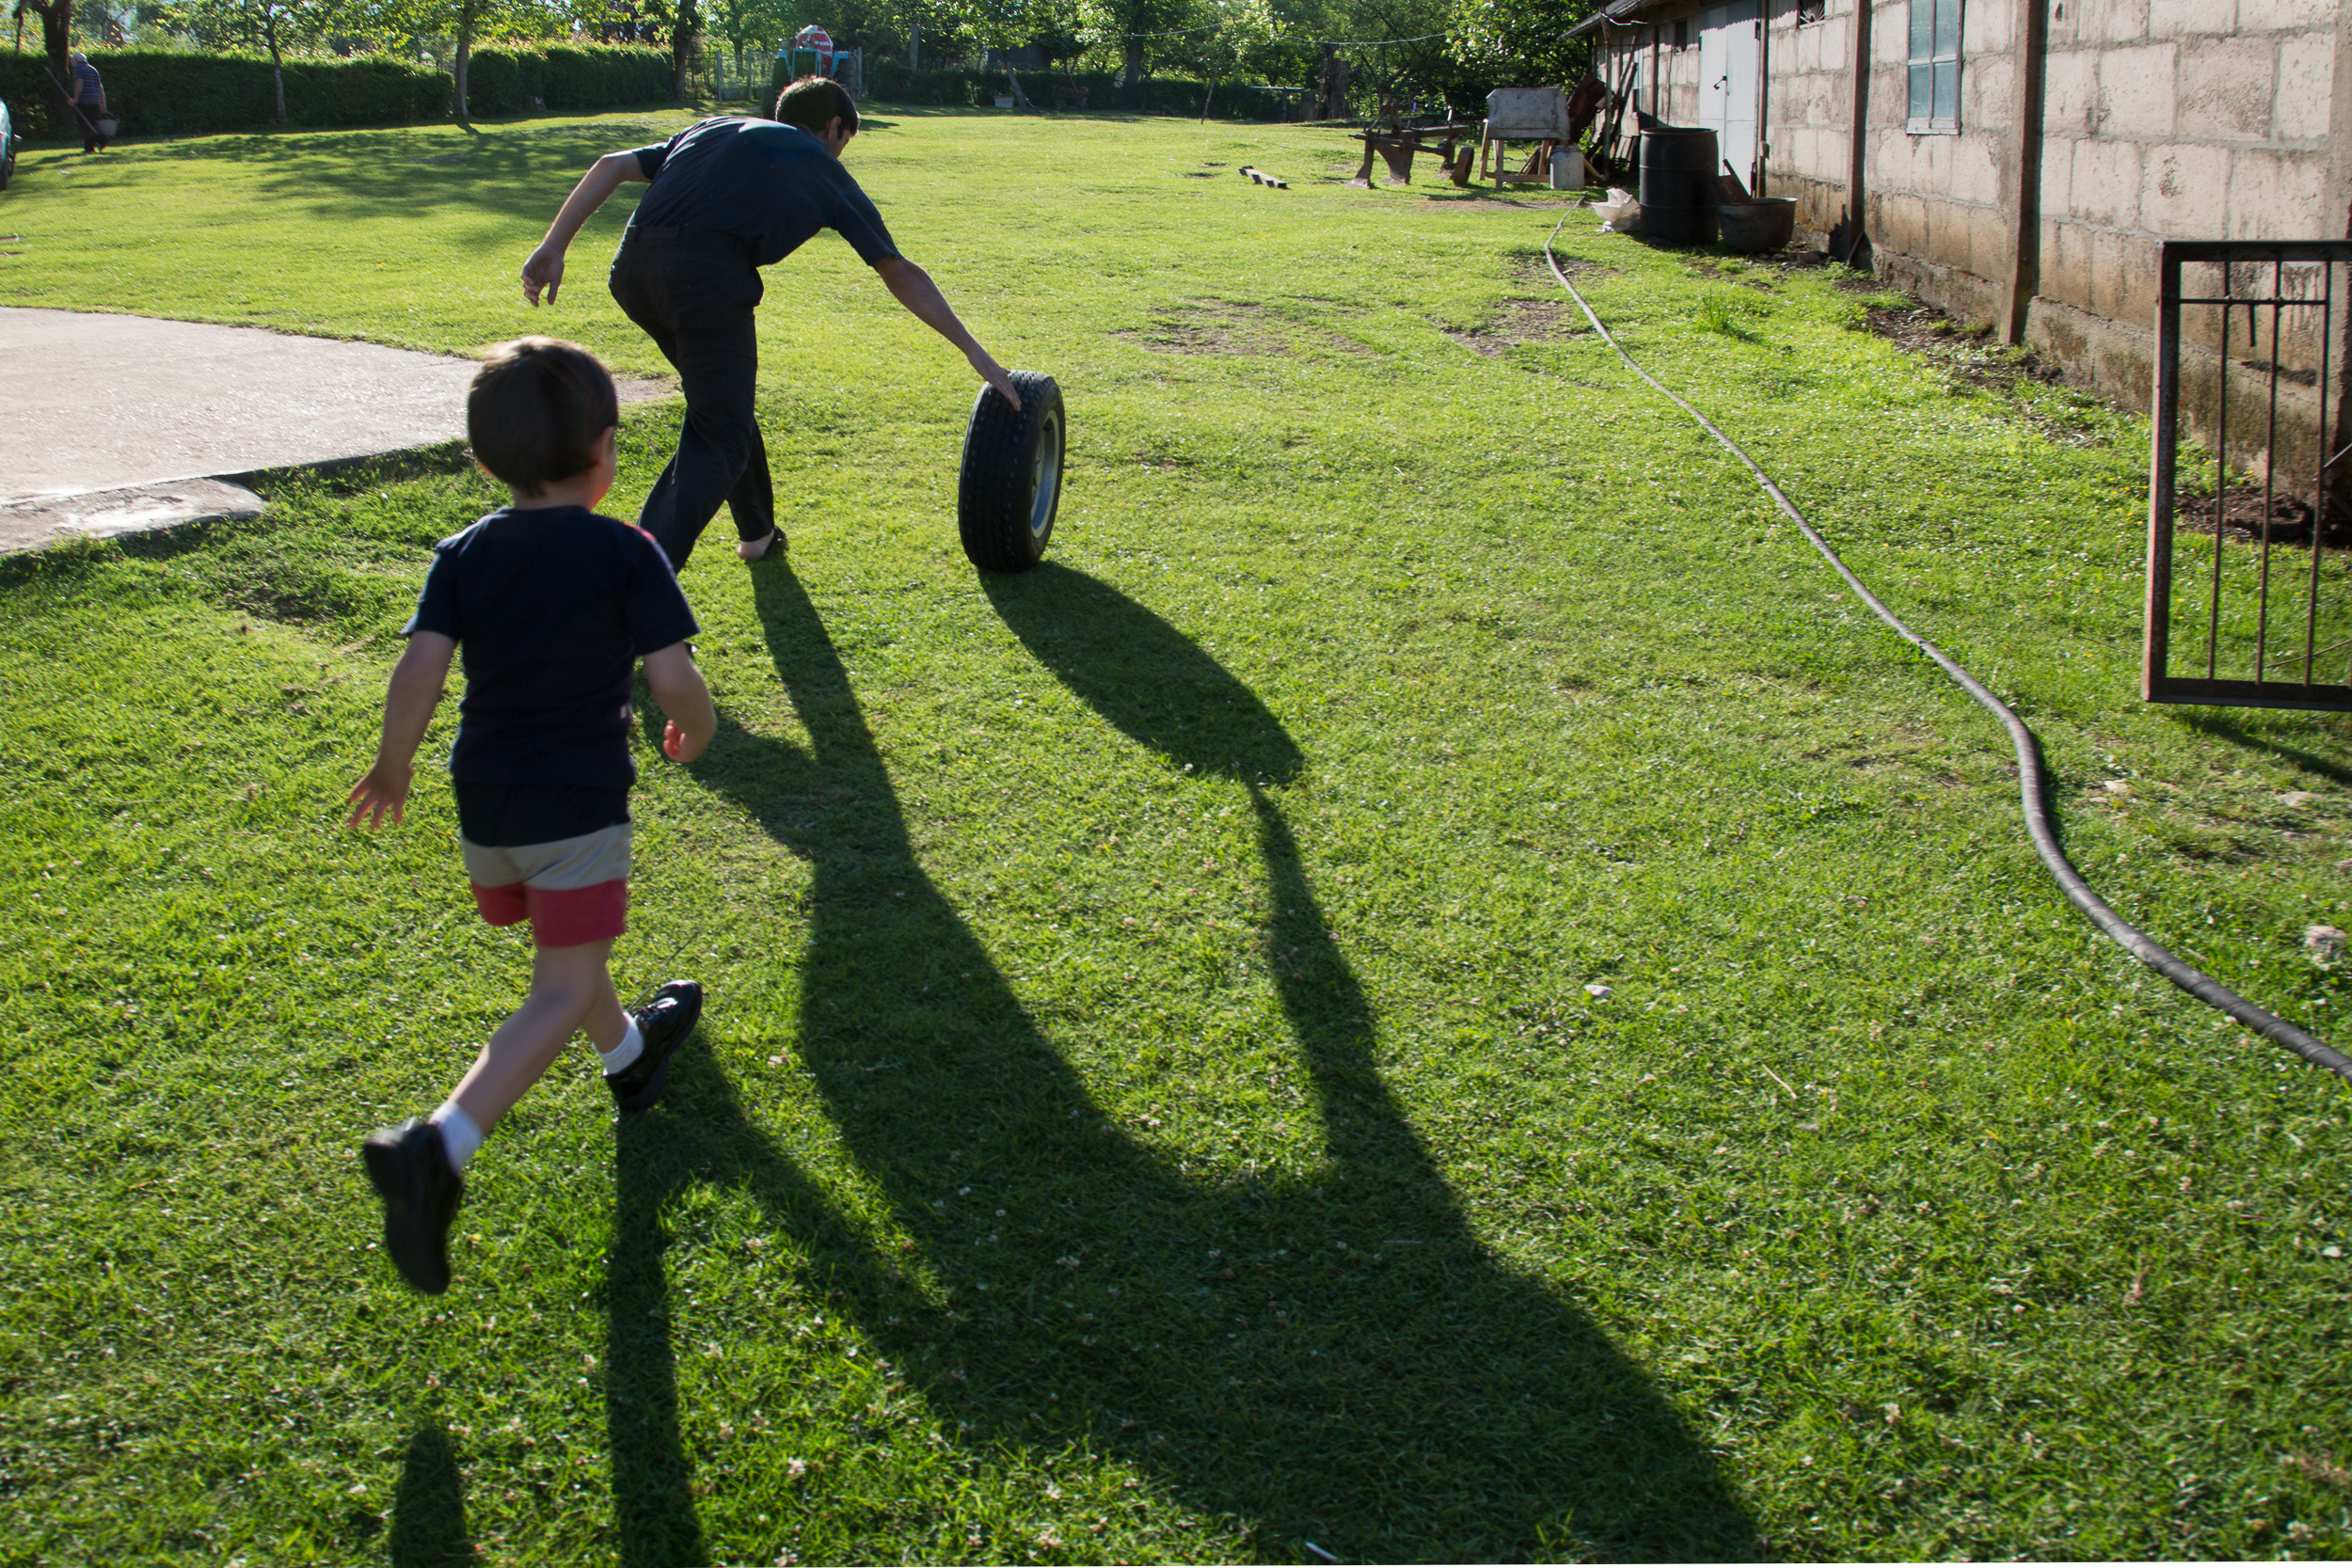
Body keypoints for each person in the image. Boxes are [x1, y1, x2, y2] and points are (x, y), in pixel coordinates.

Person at [347, 336, 721, 1296]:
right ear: (605, 452)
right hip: (575, 803)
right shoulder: (624, 549)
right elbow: (673, 675)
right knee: (559, 983)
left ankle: (632, 1057)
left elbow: (421, 666)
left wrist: (392, 766)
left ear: (486, 460)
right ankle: (440, 1143)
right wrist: (697, 728)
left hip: (488, 807)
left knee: (568, 955)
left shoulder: (463, 553)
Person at [519, 75, 1020, 574]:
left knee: (723, 405)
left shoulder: (712, 127)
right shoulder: (820, 165)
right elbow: (898, 270)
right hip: (703, 278)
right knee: (721, 431)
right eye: (844, 142)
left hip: (632, 269)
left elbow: (612, 165)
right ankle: (633, 584)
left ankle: (756, 532)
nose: (839, 154)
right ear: (833, 126)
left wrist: (554, 245)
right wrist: (972, 349)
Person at [68, 50, 106, 153]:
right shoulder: (93, 69)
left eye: (71, 61)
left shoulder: (78, 68)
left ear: (76, 60)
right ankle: (90, 148)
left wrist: (75, 98)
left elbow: (79, 83)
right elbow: (99, 87)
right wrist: (102, 102)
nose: (71, 64)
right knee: (91, 124)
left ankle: (101, 139)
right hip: (95, 101)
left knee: (83, 124)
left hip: (85, 101)